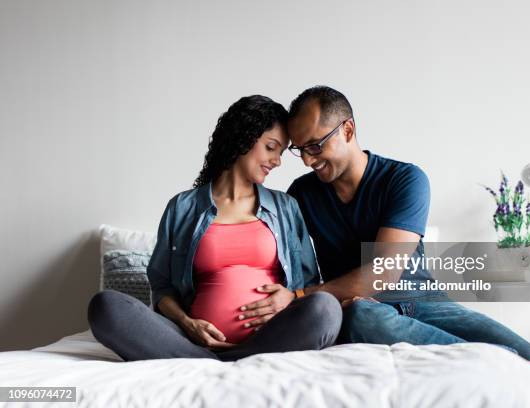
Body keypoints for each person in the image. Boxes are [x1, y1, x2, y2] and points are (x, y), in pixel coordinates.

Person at [253, 85, 530, 382]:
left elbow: (383, 274)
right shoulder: (302, 194)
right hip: (363, 310)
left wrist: (301, 296)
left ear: (348, 130)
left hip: (427, 303)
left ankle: (517, 366)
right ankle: (512, 367)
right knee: (363, 316)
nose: (308, 160)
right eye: (300, 150)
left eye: (315, 146)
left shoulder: (404, 179)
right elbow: (277, 252)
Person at [87, 95, 342, 362]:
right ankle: (210, 357)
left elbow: (309, 283)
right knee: (105, 307)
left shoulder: (286, 207)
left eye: (280, 152)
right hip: (191, 340)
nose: (277, 160)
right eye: (271, 147)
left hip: (271, 336)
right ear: (243, 139)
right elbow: (162, 287)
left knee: (326, 309)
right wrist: (188, 323)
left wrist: (290, 297)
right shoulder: (183, 207)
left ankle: (224, 358)